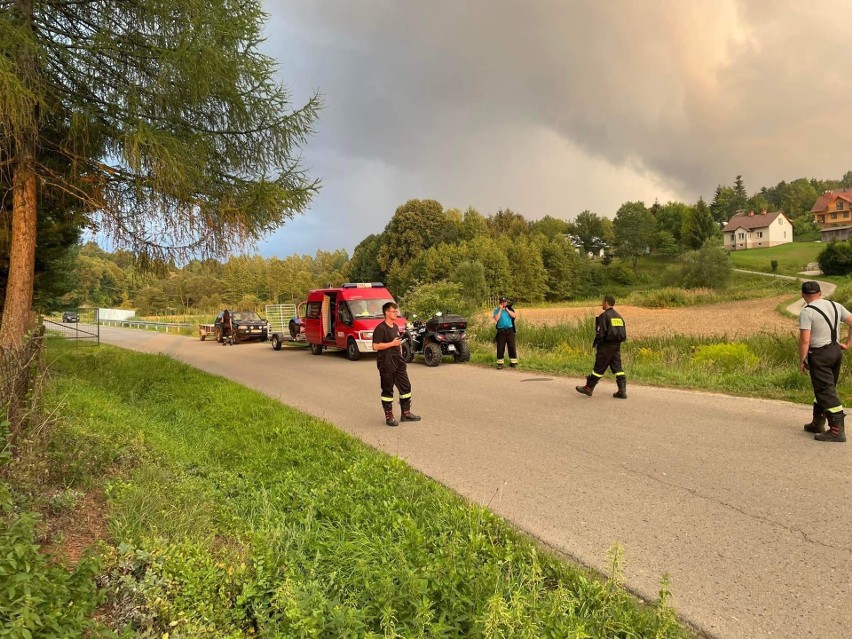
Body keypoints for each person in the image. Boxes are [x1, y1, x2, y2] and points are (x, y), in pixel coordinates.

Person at [799, 280, 851, 442]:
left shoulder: (807, 312)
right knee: (824, 387)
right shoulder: (835, 305)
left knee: (825, 390)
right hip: (836, 351)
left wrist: (802, 359)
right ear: (820, 293)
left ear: (803, 295)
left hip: (820, 354)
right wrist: (848, 344)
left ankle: (837, 430)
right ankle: (817, 422)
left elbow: (805, 340)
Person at [372, 301, 421, 426]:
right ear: (387, 313)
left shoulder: (394, 326)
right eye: (394, 311)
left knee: (406, 386)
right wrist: (391, 344)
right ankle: (389, 416)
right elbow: (375, 346)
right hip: (386, 362)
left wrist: (398, 349)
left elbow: (396, 342)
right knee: (388, 389)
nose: (396, 313)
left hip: (398, 360)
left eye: (396, 311)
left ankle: (406, 413)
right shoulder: (380, 328)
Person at [575, 295, 627, 398]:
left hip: (606, 346)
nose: (601, 304)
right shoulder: (619, 316)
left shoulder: (604, 316)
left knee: (598, 368)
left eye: (602, 302)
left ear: (606, 303)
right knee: (618, 368)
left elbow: (601, 333)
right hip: (616, 346)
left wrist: (597, 343)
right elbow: (623, 333)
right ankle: (622, 391)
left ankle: (588, 388)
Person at [493, 296, 518, 369]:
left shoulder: (510, 309)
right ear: (500, 303)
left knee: (511, 346)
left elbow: (514, 316)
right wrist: (500, 309)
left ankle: (513, 362)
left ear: (506, 303)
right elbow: (497, 319)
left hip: (510, 330)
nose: (504, 303)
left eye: (505, 302)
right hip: (501, 331)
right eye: (502, 302)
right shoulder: (496, 310)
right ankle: (500, 363)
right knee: (500, 347)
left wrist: (507, 310)